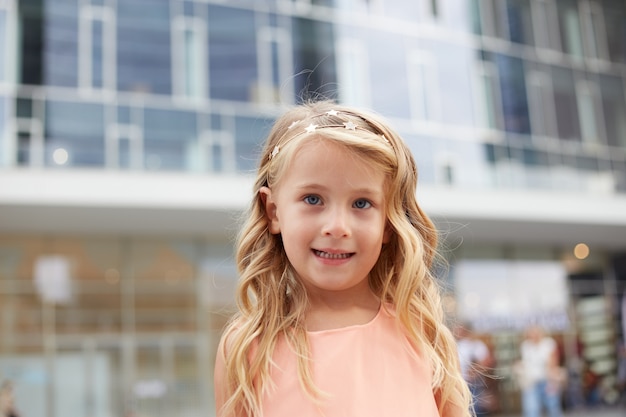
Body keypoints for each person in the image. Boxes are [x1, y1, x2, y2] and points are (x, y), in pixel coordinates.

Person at [213, 100, 472, 417]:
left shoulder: (423, 334)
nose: (337, 227)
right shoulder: (245, 348)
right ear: (274, 212)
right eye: (313, 199)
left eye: (362, 203)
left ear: (388, 224)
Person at [514, 325, 564, 417]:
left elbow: (553, 362)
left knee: (553, 407)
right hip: (531, 381)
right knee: (531, 409)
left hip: (548, 380)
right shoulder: (525, 346)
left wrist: (552, 380)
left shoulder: (549, 343)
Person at [454, 322, 494, 415]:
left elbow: (486, 361)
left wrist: (474, 371)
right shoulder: (457, 344)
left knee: (475, 409)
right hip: (460, 382)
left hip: (472, 383)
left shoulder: (475, 345)